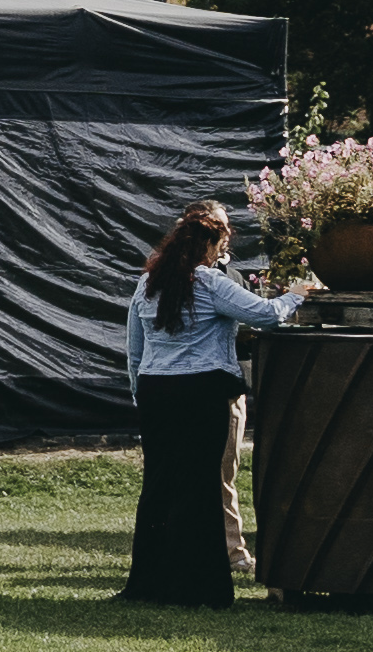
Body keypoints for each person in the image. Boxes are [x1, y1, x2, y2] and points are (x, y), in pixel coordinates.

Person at [123, 200, 295, 606]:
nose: (222, 253)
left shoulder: (147, 284)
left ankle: (148, 582)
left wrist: (139, 394)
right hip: (200, 391)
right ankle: (201, 585)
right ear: (209, 245)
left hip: (155, 391)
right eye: (220, 244)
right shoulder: (210, 282)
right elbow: (266, 314)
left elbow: (134, 348)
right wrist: (296, 296)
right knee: (200, 486)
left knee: (158, 487)